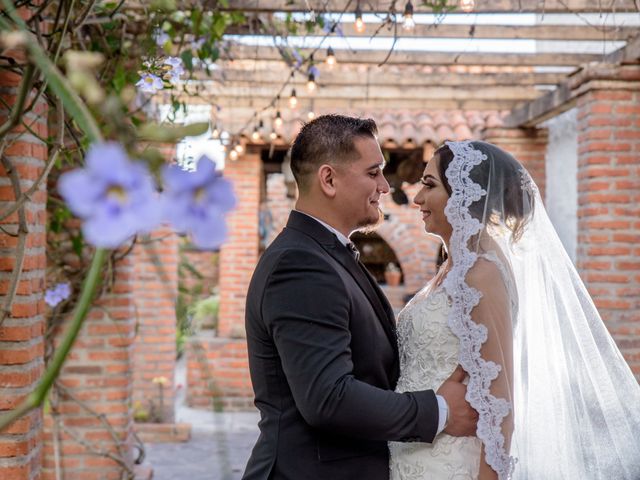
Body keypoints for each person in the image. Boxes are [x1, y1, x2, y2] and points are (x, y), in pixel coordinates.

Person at [242, 115, 478, 480]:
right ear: (329, 179)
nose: (385, 186)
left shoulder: (327, 254)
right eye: (373, 173)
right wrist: (440, 410)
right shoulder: (300, 263)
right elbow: (329, 398)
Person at [390, 140, 640, 479]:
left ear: (466, 196)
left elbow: (498, 402)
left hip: (447, 464)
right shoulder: (453, 269)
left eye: (430, 185)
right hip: (413, 452)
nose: (417, 198)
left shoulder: (483, 273)